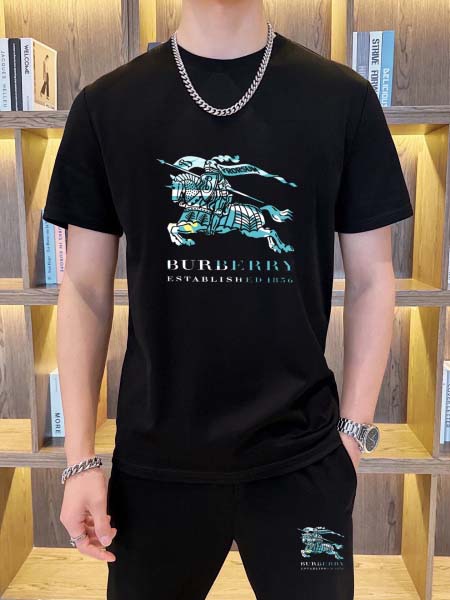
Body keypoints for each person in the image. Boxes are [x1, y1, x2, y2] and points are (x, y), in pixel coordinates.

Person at [42, 1, 414, 598]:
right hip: (155, 466)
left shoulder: (343, 100)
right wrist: (80, 460)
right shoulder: (105, 106)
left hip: (304, 461)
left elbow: (374, 277)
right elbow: (83, 289)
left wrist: (353, 435)